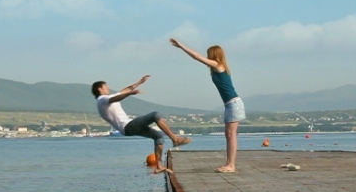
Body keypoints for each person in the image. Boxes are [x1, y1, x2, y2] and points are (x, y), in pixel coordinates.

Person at [170, 39, 245, 173]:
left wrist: (181, 46)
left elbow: (197, 57)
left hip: (234, 103)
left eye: (209, 54)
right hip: (230, 104)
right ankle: (229, 163)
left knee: (231, 134)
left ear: (214, 55)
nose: (207, 57)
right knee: (228, 134)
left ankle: (231, 165)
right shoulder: (217, 69)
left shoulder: (218, 65)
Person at [91, 75, 192, 174]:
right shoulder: (102, 100)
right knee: (155, 115)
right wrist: (130, 94)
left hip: (128, 128)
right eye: (106, 86)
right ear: (100, 89)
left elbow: (124, 90)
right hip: (128, 126)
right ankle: (175, 139)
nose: (108, 87)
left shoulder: (107, 98)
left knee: (158, 137)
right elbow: (117, 98)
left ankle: (158, 166)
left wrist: (140, 82)